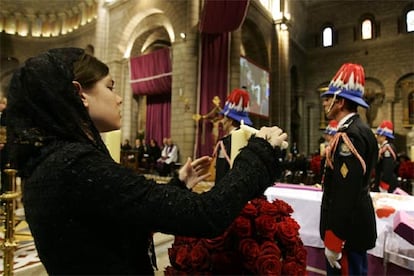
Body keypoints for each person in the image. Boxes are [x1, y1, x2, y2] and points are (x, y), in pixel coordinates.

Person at [5, 47, 288, 275]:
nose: (118, 99)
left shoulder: (55, 160)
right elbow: (206, 215)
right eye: (110, 87)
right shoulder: (75, 164)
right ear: (80, 94)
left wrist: (179, 184)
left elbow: (121, 216)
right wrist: (259, 152)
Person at [319, 63, 378, 275]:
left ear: (340, 101)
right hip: (354, 228)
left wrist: (334, 240)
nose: (325, 102)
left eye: (329, 98)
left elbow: (346, 192)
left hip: (347, 233)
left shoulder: (349, 136)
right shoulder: (360, 130)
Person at [213, 88, 253, 184]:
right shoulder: (250, 140)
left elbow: (221, 172)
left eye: (224, 118)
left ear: (229, 120)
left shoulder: (225, 143)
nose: (222, 121)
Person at [373, 120, 399, 193]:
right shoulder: (383, 148)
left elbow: (388, 169)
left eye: (378, 135)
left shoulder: (387, 149)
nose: (377, 137)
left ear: (384, 136)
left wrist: (383, 187)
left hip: (387, 185)